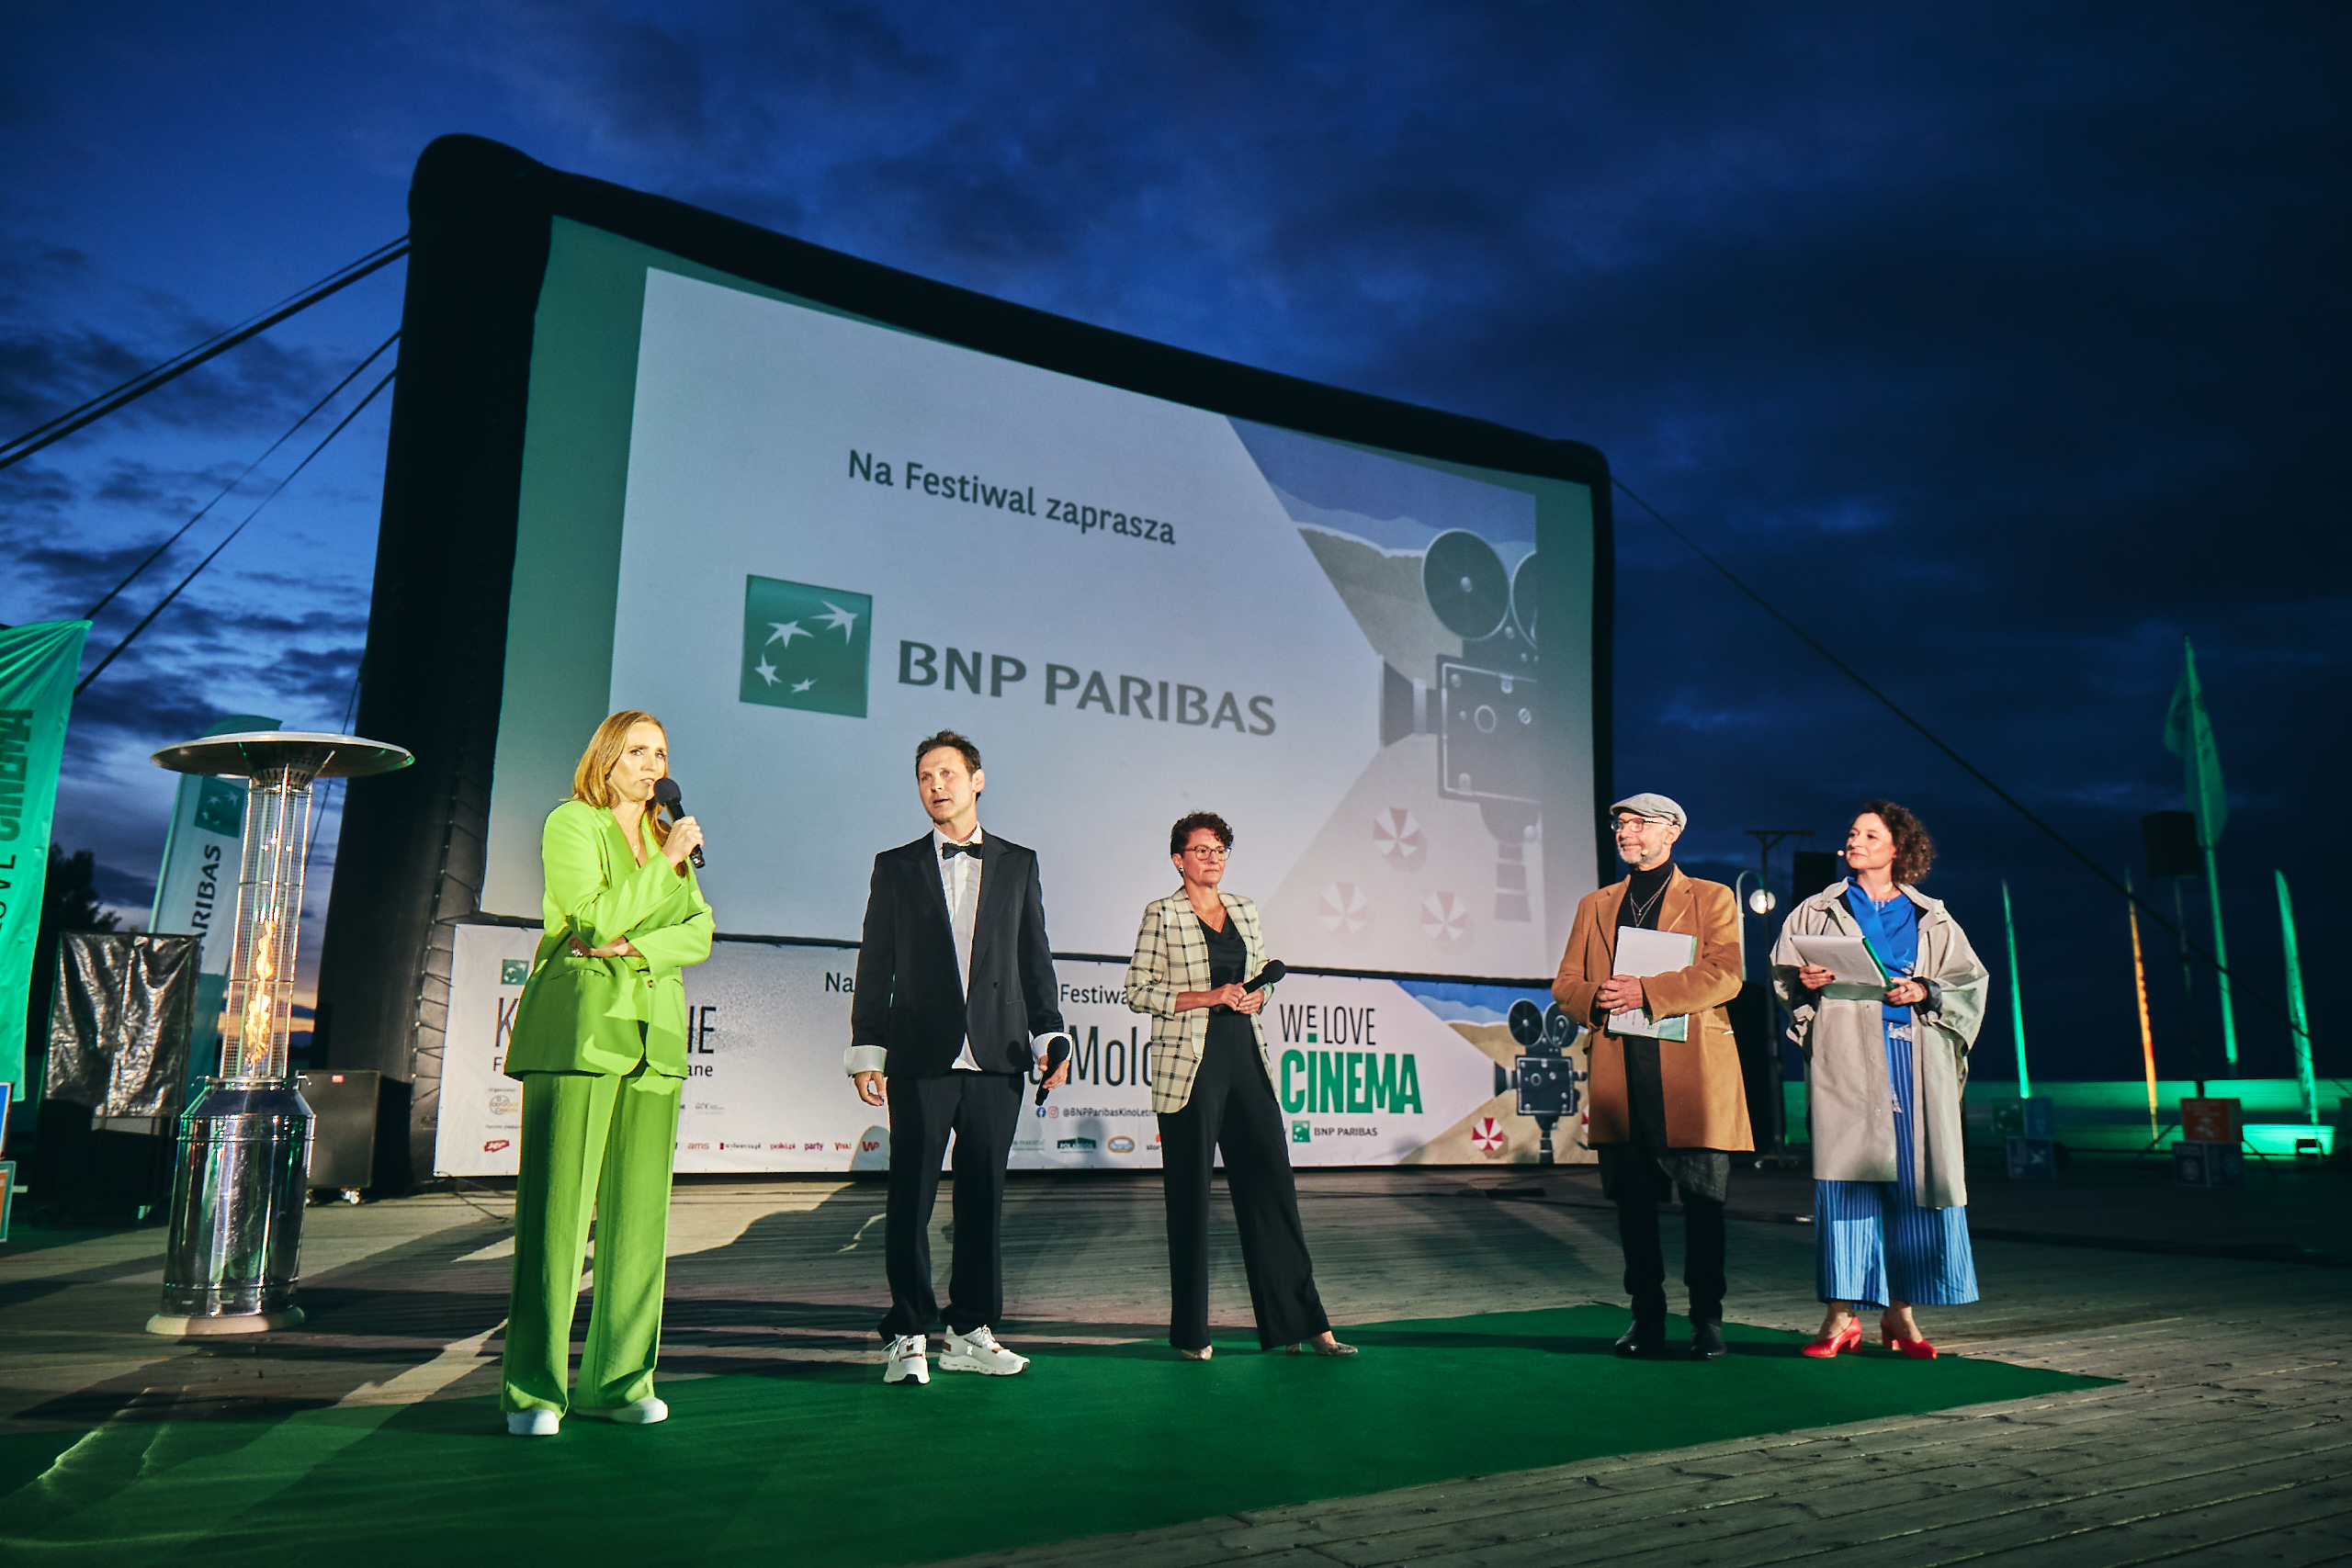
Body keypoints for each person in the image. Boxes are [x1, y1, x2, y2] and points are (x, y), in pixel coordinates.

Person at [500, 710, 712, 1436]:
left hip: (657, 1037)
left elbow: (700, 930)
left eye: (662, 752)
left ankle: (620, 1382)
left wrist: (637, 949)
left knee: (639, 1223)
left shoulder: (665, 836)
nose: (654, 765)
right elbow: (591, 919)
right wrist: (659, 874)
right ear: (606, 758)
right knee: (557, 1219)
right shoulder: (573, 823)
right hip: (582, 1033)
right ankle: (533, 1391)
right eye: (639, 751)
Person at [845, 731, 1072, 1386]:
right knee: (910, 1199)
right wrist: (868, 1049)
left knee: (982, 1201)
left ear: (977, 780)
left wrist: (1050, 1037)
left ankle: (970, 1329)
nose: (935, 785)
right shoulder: (896, 866)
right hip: (921, 1053)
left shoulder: (1019, 863)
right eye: (924, 776)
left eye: (946, 773)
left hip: (999, 1056)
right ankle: (909, 1330)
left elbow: (1035, 959)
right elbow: (875, 963)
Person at [1125, 812, 1354, 1361]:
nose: (1213, 859)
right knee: (1190, 1198)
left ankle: (1303, 1322)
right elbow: (1137, 991)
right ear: (1178, 859)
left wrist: (1257, 996)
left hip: (1246, 1056)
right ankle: (1192, 1333)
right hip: (1190, 1065)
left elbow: (1259, 978)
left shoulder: (1245, 909)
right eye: (1201, 850)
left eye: (1220, 850)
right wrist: (1208, 997)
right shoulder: (1162, 914)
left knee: (1274, 1186)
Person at [1773, 801, 1986, 1359]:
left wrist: (1926, 990)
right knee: (1846, 1181)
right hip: (1848, 1055)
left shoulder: (1930, 916)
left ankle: (1901, 1314)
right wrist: (1806, 981)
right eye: (1853, 833)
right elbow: (1785, 977)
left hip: (1912, 1058)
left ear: (1899, 849)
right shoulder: (1818, 911)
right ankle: (1840, 1315)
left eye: (1871, 835)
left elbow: (1969, 982)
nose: (1856, 841)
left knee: (1914, 1182)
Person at [1551, 793, 1749, 1360]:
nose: (1625, 831)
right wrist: (1597, 996)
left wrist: (1647, 990)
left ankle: (1706, 1318)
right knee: (1633, 1202)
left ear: (1672, 832)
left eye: (1639, 822)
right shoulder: (1595, 904)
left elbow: (1727, 974)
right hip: (1621, 1063)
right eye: (1621, 822)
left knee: (1703, 1200)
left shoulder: (1711, 896)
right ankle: (1646, 1317)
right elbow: (1566, 983)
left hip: (1691, 1070)